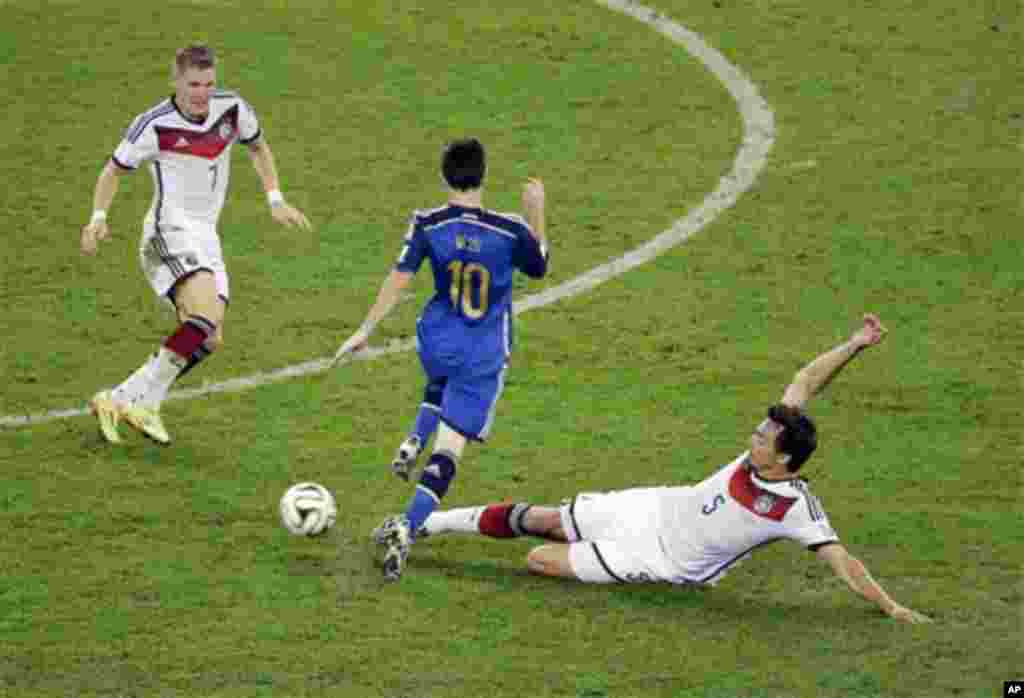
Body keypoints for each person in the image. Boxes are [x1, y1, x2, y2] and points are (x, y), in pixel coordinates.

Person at [419, 314, 932, 623]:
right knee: (543, 518)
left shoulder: (796, 509)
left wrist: (890, 607)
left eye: (762, 438)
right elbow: (805, 380)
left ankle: (569, 553)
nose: (753, 437)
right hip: (656, 506)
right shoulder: (770, 442)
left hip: (663, 559)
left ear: (783, 460)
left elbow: (843, 562)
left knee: (539, 559)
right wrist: (856, 345)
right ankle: (423, 524)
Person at [332, 138, 549, 581]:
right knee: (450, 449)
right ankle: (407, 527)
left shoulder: (427, 223)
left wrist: (365, 330)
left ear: (444, 175)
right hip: (482, 354)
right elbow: (540, 265)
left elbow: (399, 277)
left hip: (436, 338)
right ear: (484, 175)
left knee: (440, 380)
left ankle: (415, 436)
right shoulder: (508, 231)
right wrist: (536, 212)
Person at [80, 44, 312, 445]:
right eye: (193, 84)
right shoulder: (154, 125)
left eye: (208, 83)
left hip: (207, 235)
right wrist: (98, 218)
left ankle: (122, 399)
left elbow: (258, 146)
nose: (202, 93)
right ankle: (142, 402)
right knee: (203, 316)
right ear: (177, 81)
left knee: (209, 337)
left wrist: (275, 198)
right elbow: (112, 171)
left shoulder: (232, 109)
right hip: (168, 229)